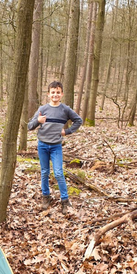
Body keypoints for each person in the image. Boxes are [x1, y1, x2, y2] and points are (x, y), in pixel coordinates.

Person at [28, 81, 83, 213]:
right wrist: (38, 121)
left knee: (58, 173)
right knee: (45, 172)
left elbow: (78, 120)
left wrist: (67, 131)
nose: (55, 95)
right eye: (53, 92)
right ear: (48, 94)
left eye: (58, 92)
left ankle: (65, 201)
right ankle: (46, 197)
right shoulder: (42, 109)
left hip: (56, 146)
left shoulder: (65, 109)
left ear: (62, 94)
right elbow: (30, 126)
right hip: (42, 145)